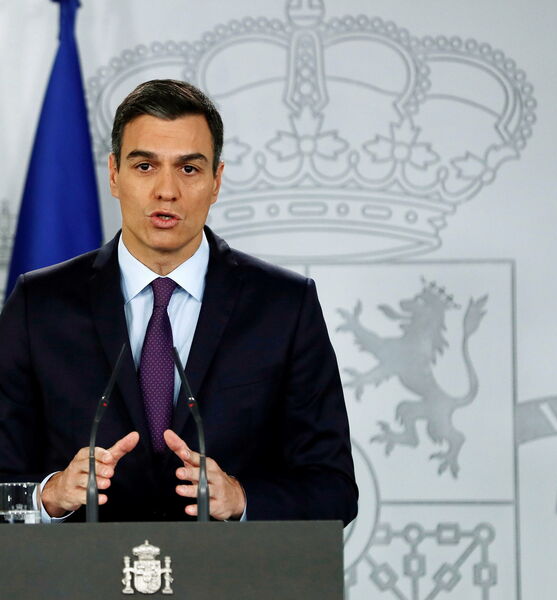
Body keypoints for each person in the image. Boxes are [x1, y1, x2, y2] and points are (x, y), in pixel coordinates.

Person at [0, 79, 358, 524]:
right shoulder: (39, 306)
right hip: (83, 568)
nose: (166, 191)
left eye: (188, 168)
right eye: (145, 166)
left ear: (216, 180)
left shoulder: (284, 308)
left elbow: (334, 490)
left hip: (225, 567)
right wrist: (48, 495)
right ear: (114, 174)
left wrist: (242, 499)